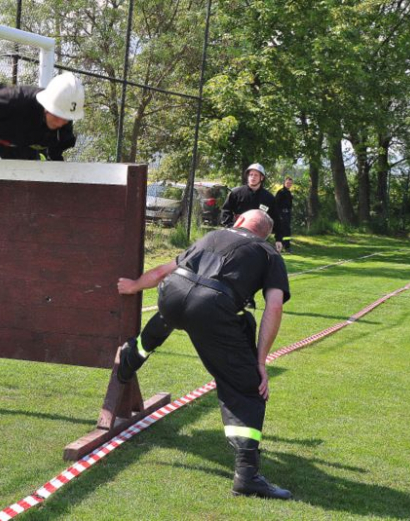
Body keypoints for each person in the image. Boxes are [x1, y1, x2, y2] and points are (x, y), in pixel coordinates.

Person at [117, 209, 292, 500]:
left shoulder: (212, 235)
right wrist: (260, 363)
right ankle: (247, 476)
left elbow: (163, 272)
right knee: (247, 387)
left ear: (237, 221)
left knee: (173, 310)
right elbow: (274, 307)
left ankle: (130, 358)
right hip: (212, 305)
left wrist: (134, 286)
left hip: (171, 292)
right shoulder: (269, 254)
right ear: (266, 234)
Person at [220, 163, 284, 252]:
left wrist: (278, 239)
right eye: (251, 175)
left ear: (262, 178)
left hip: (258, 239)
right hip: (236, 236)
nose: (253, 177)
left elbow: (276, 219)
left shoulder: (269, 198)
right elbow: (226, 211)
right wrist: (231, 227)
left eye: (256, 175)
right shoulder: (236, 193)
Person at [275, 176, 294, 252]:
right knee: (281, 231)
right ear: (284, 183)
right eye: (288, 183)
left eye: (290, 183)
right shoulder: (280, 192)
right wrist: (279, 215)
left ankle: (287, 247)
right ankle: (280, 246)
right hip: (281, 214)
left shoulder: (289, 193)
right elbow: (276, 204)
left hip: (287, 214)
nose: (289, 184)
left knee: (287, 231)